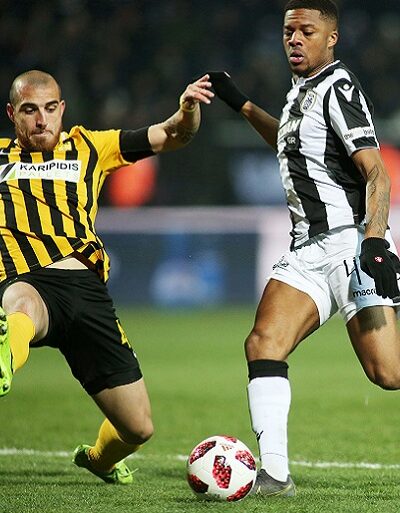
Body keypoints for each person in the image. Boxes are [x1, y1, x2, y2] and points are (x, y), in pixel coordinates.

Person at [208, 0, 400, 498]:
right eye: (288, 31)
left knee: (388, 373)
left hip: (350, 246)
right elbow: (287, 142)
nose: (294, 39)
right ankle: (275, 476)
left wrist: (375, 242)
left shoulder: (339, 87)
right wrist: (241, 103)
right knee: (263, 344)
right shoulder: (300, 93)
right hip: (306, 251)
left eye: (306, 31)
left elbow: (376, 172)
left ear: (331, 38)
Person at [0, 69, 214, 484]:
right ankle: (5, 355)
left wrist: (187, 111)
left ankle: (99, 460)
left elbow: (173, 135)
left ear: (62, 109)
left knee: (138, 427)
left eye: (49, 109)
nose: (42, 120)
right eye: (29, 111)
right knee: (23, 306)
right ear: (12, 114)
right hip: (26, 277)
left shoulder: (90, 146)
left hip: (86, 292)